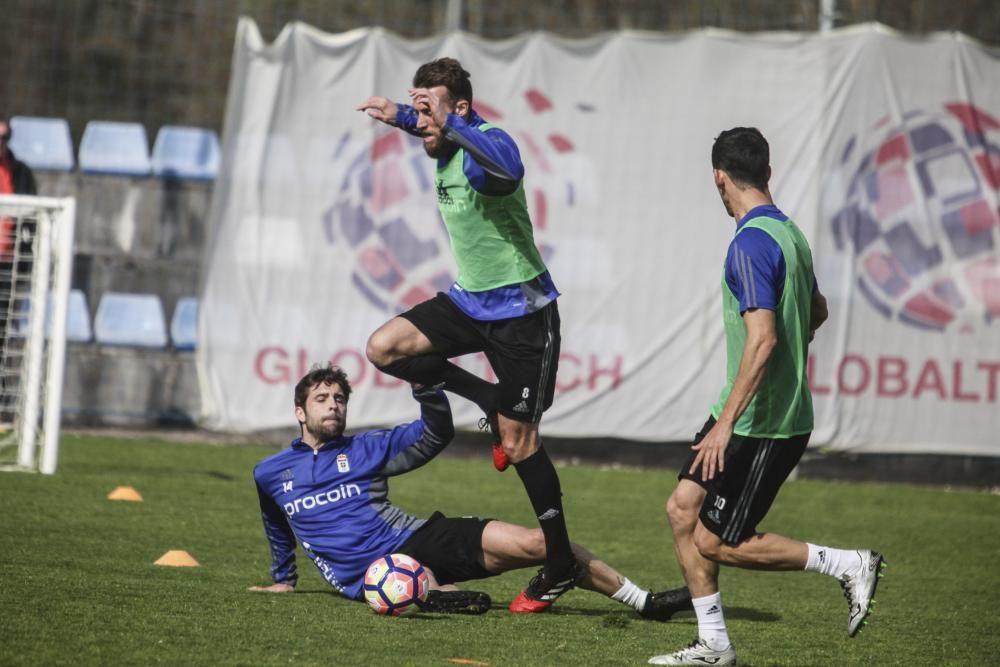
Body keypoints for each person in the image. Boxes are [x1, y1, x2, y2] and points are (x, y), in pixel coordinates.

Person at [648, 128, 885, 666]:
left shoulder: (749, 242)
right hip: (745, 413)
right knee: (683, 509)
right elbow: (816, 311)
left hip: (761, 423)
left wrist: (727, 422)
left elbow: (764, 338)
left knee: (717, 542)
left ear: (719, 178)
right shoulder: (789, 233)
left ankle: (846, 564)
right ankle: (714, 645)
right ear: (768, 173)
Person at [356, 58, 579, 612]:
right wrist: (402, 115)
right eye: (420, 110)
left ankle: (558, 565)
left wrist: (442, 122)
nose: (421, 123)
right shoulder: (442, 134)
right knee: (384, 347)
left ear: (458, 110)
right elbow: (432, 126)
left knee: (523, 439)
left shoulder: (484, 149)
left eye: (431, 111)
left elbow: (508, 168)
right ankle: (486, 398)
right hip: (469, 303)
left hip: (524, 315)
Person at [250, 363, 694, 621]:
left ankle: (645, 602)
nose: (333, 405)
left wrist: (427, 389)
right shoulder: (270, 472)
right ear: (300, 412)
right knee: (407, 584)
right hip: (366, 579)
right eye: (322, 398)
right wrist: (284, 580)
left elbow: (433, 434)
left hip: (416, 539)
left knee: (543, 543)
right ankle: (437, 591)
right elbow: (276, 523)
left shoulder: (366, 448)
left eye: (340, 398)